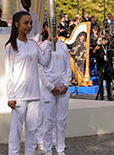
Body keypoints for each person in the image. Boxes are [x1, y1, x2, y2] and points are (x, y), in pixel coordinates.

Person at [6, 11, 52, 155]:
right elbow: (9, 72)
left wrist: (49, 43)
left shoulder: (33, 44)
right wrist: (10, 96)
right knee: (16, 130)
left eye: (31, 23)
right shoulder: (11, 46)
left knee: (32, 130)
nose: (29, 26)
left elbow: (45, 62)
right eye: (26, 23)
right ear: (17, 24)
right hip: (19, 95)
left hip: (34, 95)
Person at [38, 23, 70, 155]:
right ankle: (47, 150)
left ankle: (60, 149)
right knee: (48, 121)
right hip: (48, 91)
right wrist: (50, 87)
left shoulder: (63, 46)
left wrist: (66, 85)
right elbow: (40, 68)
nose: (56, 29)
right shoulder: (42, 46)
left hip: (63, 90)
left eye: (57, 27)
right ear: (46, 28)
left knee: (62, 121)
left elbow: (68, 67)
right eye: (53, 26)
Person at [92, 36, 113, 100]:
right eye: (102, 40)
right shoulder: (98, 47)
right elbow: (92, 54)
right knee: (101, 81)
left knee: (108, 81)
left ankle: (109, 96)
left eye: (105, 40)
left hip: (107, 65)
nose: (104, 41)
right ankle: (101, 96)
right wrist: (95, 49)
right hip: (101, 66)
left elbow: (111, 54)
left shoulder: (108, 47)